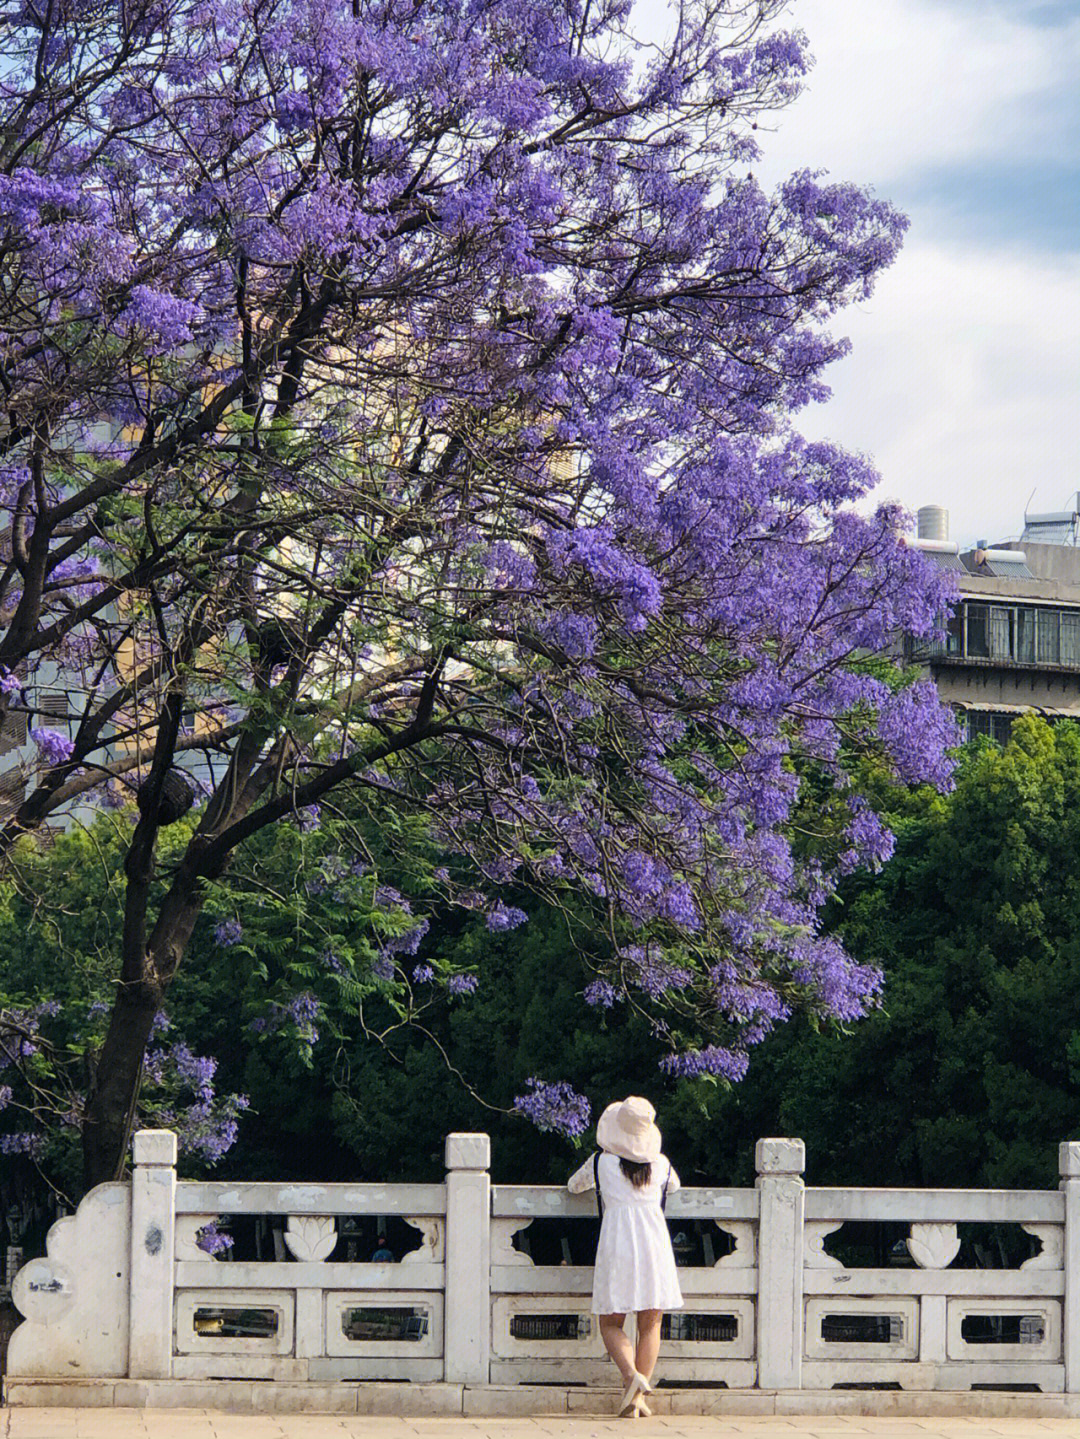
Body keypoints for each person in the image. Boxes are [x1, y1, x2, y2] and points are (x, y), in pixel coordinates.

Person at [567, 1095, 682, 1419]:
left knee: (611, 1321)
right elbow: (673, 1187)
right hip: (653, 1242)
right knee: (651, 1322)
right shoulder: (660, 1164)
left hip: (618, 1241)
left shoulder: (600, 1163)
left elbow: (574, 1186)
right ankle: (636, 1398)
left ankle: (632, 1381)